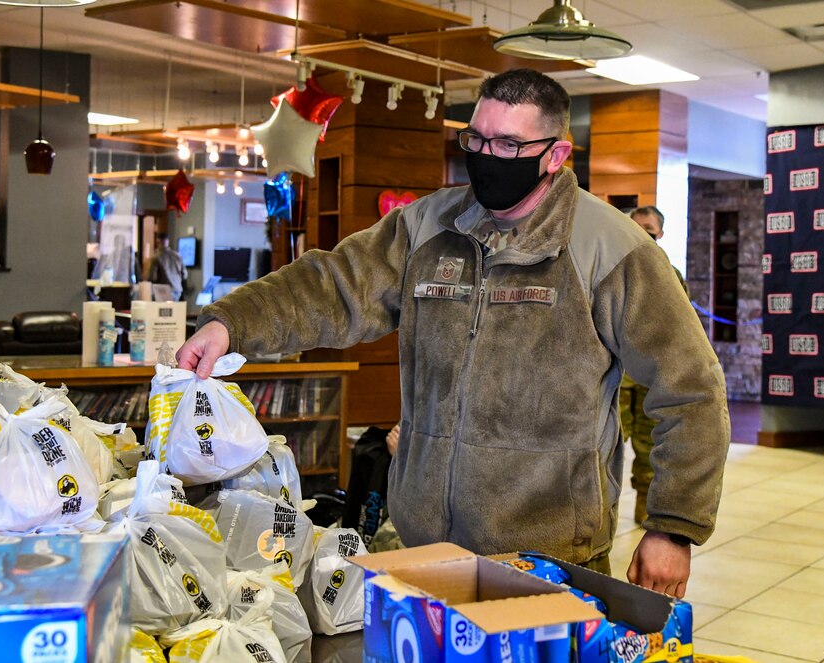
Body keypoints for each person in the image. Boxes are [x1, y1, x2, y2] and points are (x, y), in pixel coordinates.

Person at [177, 69, 729, 598]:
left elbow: (691, 387)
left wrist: (673, 526)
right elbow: (333, 286)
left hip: (552, 558)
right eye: (477, 140)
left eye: (509, 145)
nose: (487, 158)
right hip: (424, 544)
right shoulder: (428, 226)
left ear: (556, 154)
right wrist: (233, 322)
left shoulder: (611, 248)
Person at [620, 206, 691, 525]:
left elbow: (681, 329)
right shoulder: (611, 268)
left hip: (650, 378)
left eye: (649, 228)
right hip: (614, 380)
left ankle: (645, 516)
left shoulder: (670, 275)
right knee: (598, 449)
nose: (643, 233)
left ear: (660, 233)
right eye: (636, 227)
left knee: (650, 452)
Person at [148, 233, 188, 301]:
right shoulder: (177, 256)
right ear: (168, 241)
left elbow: (152, 277)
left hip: (163, 290)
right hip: (177, 289)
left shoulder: (156, 257)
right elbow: (184, 274)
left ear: (158, 242)